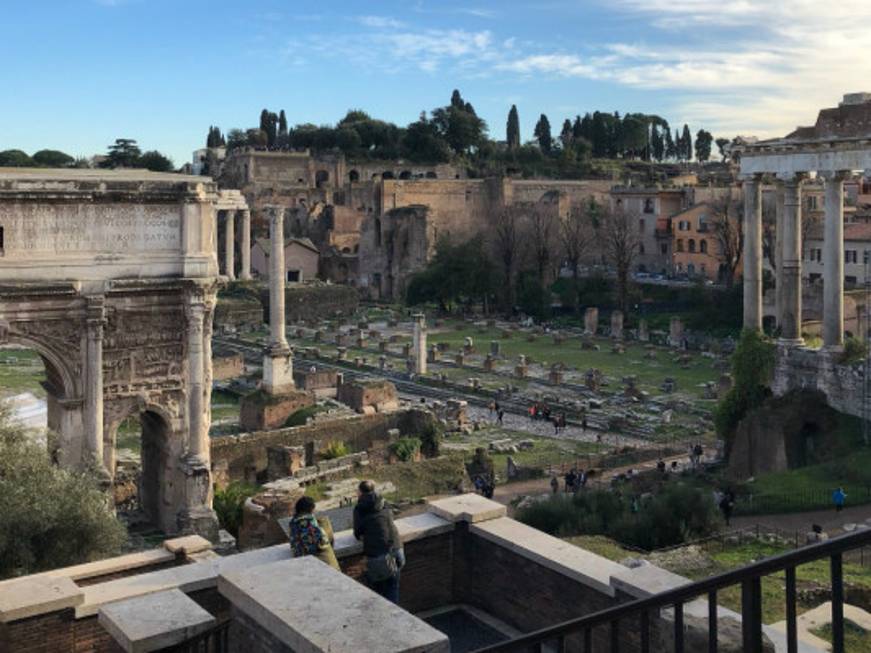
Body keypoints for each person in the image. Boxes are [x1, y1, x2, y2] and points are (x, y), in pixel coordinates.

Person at [353, 480, 404, 603]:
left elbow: (358, 533)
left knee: (378, 594)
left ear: (360, 492)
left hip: (376, 555)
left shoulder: (359, 508)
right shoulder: (383, 502)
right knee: (393, 589)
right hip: (396, 549)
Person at [288, 496, 340, 570]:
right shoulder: (312, 521)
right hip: (324, 563)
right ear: (311, 509)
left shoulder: (292, 524)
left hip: (303, 565)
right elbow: (327, 541)